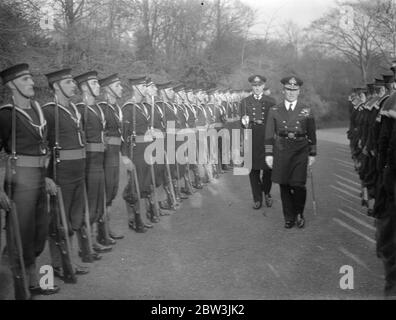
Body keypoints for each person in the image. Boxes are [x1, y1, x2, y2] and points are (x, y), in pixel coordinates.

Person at [0, 63, 59, 297]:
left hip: (38, 178)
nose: (31, 83)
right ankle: (9, 290)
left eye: (30, 78)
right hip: (18, 182)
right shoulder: (5, 115)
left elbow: (43, 150)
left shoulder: (38, 111)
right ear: (11, 85)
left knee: (37, 234)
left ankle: (34, 282)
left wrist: (46, 178)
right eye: (24, 79)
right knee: (17, 238)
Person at [43, 68, 90, 280]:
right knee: (58, 221)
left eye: (73, 81)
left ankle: (69, 259)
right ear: (56, 85)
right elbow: (41, 146)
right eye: (69, 82)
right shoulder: (48, 111)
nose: (74, 85)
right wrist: (46, 176)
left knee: (72, 218)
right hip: (60, 172)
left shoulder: (72, 108)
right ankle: (57, 265)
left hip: (78, 171)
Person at [265, 76, 317, 229]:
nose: (291, 93)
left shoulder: (306, 110)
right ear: (283, 91)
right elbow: (269, 134)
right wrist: (269, 154)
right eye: (288, 89)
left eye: (294, 90)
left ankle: (299, 212)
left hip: (300, 150)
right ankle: (289, 217)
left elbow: (312, 134)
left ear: (299, 91)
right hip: (281, 149)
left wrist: (312, 154)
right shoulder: (274, 110)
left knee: (298, 184)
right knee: (285, 185)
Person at [74, 71, 112, 256]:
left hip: (99, 160)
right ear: (84, 88)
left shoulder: (97, 108)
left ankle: (95, 238)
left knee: (97, 201)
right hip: (88, 162)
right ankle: (85, 245)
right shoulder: (80, 110)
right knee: (88, 202)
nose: (98, 86)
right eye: (94, 83)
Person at [97, 73, 126, 243]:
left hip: (115, 153)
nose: (121, 88)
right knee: (105, 192)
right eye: (117, 86)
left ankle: (106, 228)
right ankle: (101, 232)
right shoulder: (101, 108)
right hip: (105, 155)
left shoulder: (117, 108)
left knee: (112, 191)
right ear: (107, 89)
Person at [240, 75, 275, 210]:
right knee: (252, 169)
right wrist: (244, 123)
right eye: (254, 85)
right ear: (251, 86)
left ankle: (266, 192)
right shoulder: (244, 102)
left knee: (268, 168)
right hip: (251, 136)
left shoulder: (271, 101)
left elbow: (274, 122)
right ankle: (257, 198)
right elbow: (241, 123)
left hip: (266, 136)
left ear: (263, 86)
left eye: (259, 85)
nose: (257, 88)